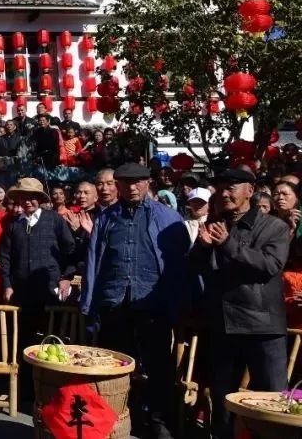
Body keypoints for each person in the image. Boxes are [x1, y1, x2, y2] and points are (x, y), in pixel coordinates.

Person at [80, 163, 192, 438]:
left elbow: (179, 265)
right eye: (126, 182)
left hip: (152, 302)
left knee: (159, 367)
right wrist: (90, 302)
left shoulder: (168, 217)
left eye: (138, 181)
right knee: (113, 366)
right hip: (115, 301)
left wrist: (178, 304)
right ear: (116, 184)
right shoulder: (107, 218)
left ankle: (158, 421)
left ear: (148, 182)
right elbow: (95, 260)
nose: (132, 187)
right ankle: (113, 417)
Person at [190, 169, 290, 439]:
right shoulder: (215, 223)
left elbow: (270, 265)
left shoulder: (274, 227)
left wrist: (227, 244)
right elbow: (194, 268)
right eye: (221, 188)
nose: (225, 193)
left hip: (263, 328)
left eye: (233, 187)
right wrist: (203, 247)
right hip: (223, 326)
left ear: (250, 191)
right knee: (224, 402)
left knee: (272, 402)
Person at [0, 178, 76, 377]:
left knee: (51, 339)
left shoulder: (54, 220)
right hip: (23, 291)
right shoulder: (14, 225)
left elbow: (71, 250)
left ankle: (50, 383)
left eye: (32, 198)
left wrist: (66, 276)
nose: (28, 202)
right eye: (24, 198)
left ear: (39, 199)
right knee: (24, 339)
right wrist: (7, 284)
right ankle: (27, 386)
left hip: (49, 288)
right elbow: (5, 257)